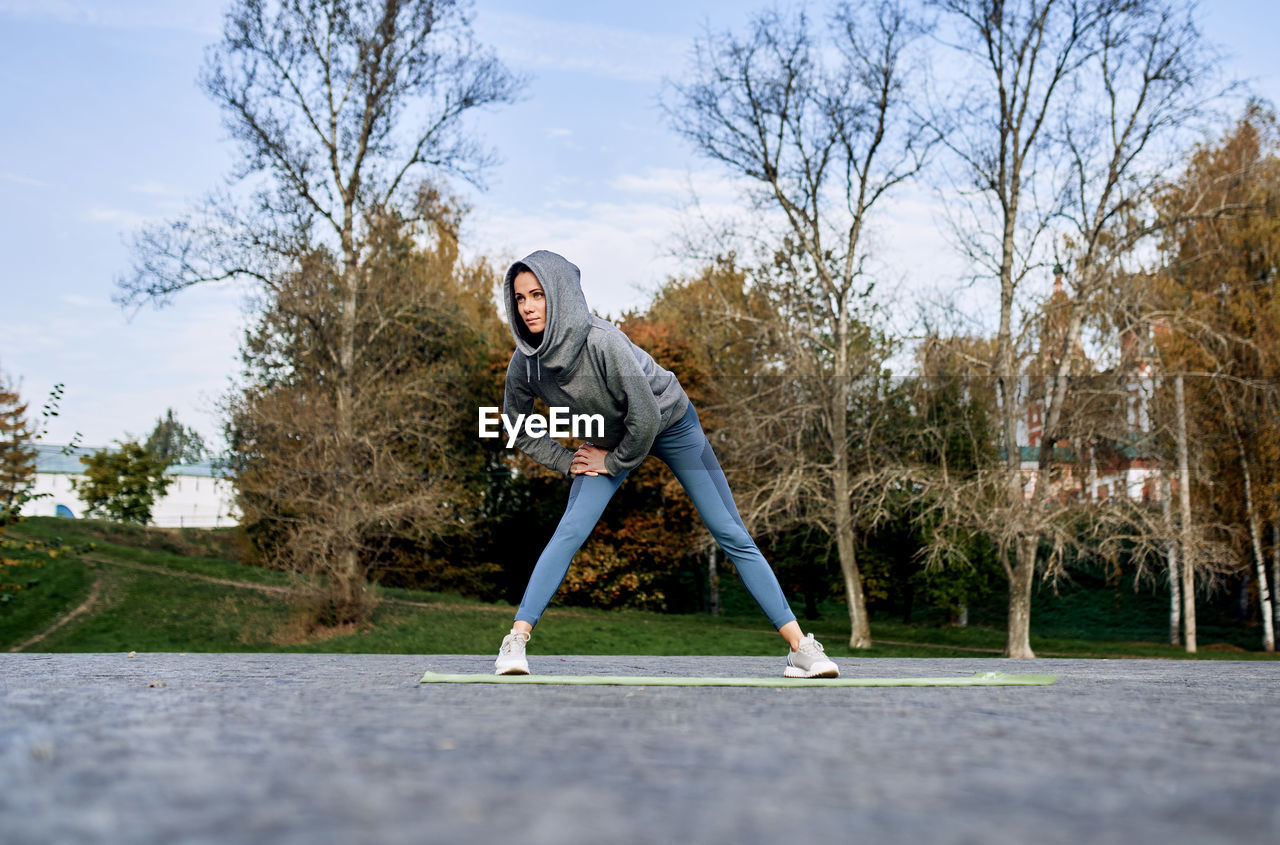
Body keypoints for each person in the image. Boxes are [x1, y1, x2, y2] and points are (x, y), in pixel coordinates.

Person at [493, 250, 839, 679]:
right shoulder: (525, 365)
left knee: (729, 531)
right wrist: (568, 462)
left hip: (670, 423)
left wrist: (613, 462)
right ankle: (515, 642)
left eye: (538, 295)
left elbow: (646, 418)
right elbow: (516, 423)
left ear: (560, 295)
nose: (527, 307)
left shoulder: (604, 343)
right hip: (605, 439)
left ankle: (803, 649)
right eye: (520, 297)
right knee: (570, 530)